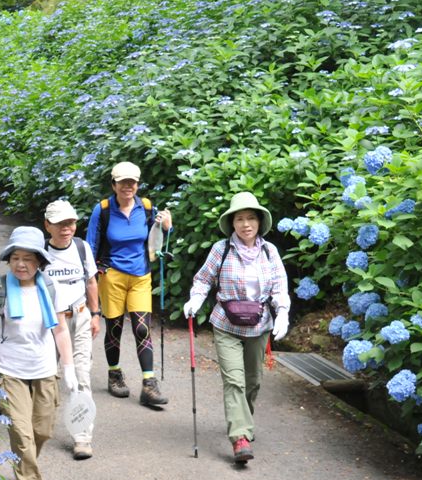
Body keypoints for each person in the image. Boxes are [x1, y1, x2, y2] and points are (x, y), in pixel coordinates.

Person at [0, 226, 78, 480]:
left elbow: (60, 330)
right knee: (21, 432)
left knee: (41, 432)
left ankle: (25, 467)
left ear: (39, 262)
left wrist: (68, 367)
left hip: (45, 371)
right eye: (15, 257)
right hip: (9, 372)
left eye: (28, 258)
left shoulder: (52, 289)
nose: (21, 264)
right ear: (8, 259)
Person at [182, 191, 290, 464]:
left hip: (259, 325)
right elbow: (204, 279)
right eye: (240, 219)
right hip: (226, 324)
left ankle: (243, 421)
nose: (245, 224)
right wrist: (196, 298)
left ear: (259, 222)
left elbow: (279, 286)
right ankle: (239, 437)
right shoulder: (221, 249)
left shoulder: (270, 251)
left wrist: (283, 313)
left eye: (251, 218)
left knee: (253, 381)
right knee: (234, 380)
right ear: (232, 223)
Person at [86, 161, 172, 408]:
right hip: (111, 275)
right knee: (114, 327)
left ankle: (149, 384)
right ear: (113, 184)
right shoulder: (102, 209)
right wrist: (90, 277)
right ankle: (115, 374)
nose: (128, 186)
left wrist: (168, 226)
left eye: (132, 182)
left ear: (137, 184)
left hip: (140, 276)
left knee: (142, 328)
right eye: (123, 182)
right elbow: (91, 244)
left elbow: (159, 238)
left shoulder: (146, 208)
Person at [42, 200, 101, 460]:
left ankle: (82, 436)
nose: (67, 228)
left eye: (71, 223)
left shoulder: (82, 247)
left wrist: (95, 314)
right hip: (51, 323)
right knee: (48, 377)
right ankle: (40, 428)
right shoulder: (39, 252)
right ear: (47, 225)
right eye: (60, 224)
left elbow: (91, 281)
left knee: (81, 375)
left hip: (79, 317)